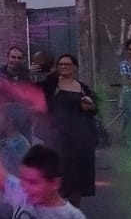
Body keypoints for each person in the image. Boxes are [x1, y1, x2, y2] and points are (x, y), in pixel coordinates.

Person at [41, 53, 99, 203]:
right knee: (58, 179)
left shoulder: (83, 88)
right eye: (61, 64)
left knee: (77, 182)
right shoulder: (51, 85)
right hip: (58, 140)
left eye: (67, 64)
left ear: (75, 67)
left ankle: (74, 213)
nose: (64, 67)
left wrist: (90, 106)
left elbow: (95, 109)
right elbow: (39, 99)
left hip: (81, 141)